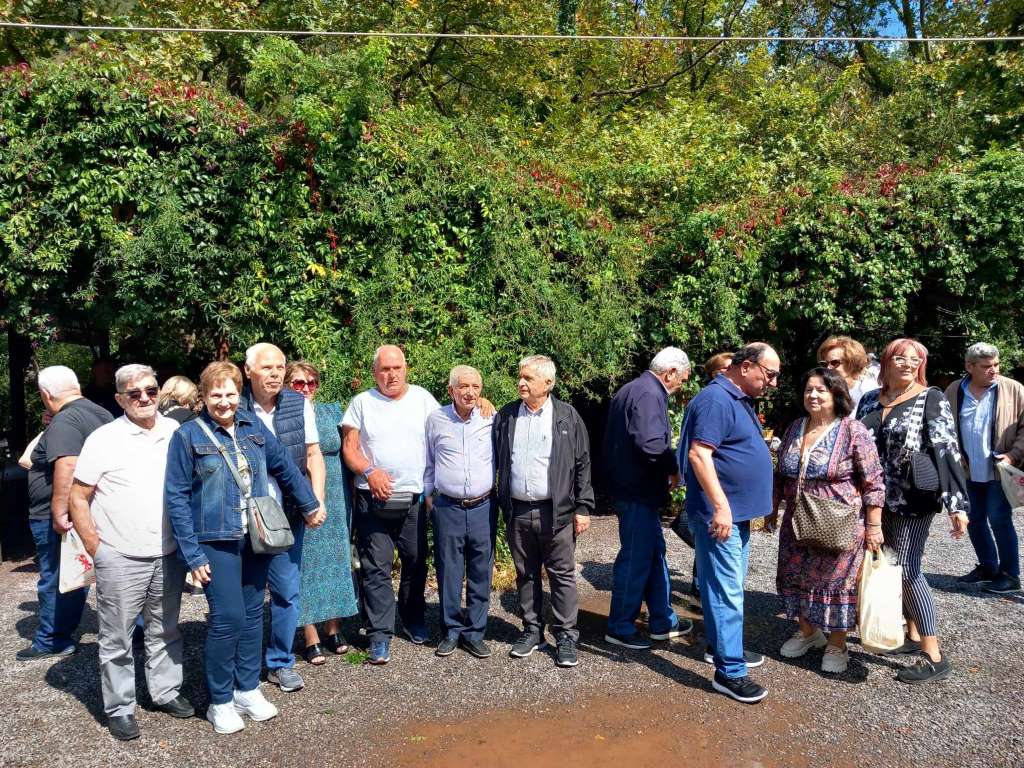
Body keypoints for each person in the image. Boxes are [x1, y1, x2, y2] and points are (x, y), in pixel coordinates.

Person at [165, 361, 320, 734]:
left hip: (255, 537)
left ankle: (246, 689)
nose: (224, 401)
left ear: (239, 395)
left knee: (253, 616)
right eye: (216, 394)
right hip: (215, 540)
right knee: (228, 617)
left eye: (230, 393)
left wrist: (309, 503)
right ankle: (220, 701)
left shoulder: (253, 428)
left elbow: (284, 466)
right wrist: (192, 554)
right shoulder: (187, 436)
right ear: (203, 397)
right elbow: (176, 497)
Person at [67, 365, 193, 740]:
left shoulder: (175, 432)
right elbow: (78, 495)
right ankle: (120, 707)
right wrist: (97, 548)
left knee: (166, 629)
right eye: (134, 393)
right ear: (120, 398)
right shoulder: (104, 439)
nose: (144, 399)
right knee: (116, 637)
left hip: (167, 553)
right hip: (120, 555)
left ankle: (165, 691)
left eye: (151, 391)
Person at [857, 338, 970, 684]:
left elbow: (947, 449)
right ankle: (912, 633)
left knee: (907, 569)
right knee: (885, 564)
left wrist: (956, 505)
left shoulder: (930, 397)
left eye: (914, 359)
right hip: (873, 498)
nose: (906, 364)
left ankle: (933, 655)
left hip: (913, 498)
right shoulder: (867, 400)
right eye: (900, 358)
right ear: (887, 362)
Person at [678, 343, 780, 703]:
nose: (773, 382)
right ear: (747, 366)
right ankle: (730, 672)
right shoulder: (716, 400)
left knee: (728, 587)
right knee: (726, 591)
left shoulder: (735, 398)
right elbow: (698, 454)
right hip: (721, 516)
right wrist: (721, 506)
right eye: (769, 374)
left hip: (735, 514)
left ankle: (722, 648)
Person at [767, 368, 885, 674]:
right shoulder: (795, 427)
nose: (813, 395)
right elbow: (781, 474)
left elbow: (873, 481)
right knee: (794, 577)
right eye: (809, 390)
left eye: (821, 390)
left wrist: (874, 526)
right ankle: (809, 634)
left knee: (837, 584)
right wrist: (771, 508)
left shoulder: (852, 430)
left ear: (836, 395)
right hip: (796, 521)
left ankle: (837, 644)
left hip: (840, 523)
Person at [341, 345, 441, 665]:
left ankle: (412, 618)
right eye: (384, 369)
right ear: (375, 373)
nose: (391, 374)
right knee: (376, 568)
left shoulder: (424, 399)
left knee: (415, 561)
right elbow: (350, 448)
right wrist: (369, 471)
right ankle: (379, 634)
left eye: (396, 368)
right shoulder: (361, 403)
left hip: (412, 499)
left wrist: (479, 403)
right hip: (373, 500)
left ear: (406, 368)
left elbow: (448, 429)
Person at [494, 355, 595, 668]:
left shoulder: (567, 416)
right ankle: (532, 630)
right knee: (526, 573)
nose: (521, 383)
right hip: (519, 510)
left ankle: (566, 635)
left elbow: (582, 463)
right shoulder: (508, 415)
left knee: (562, 574)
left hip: (557, 512)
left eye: (528, 378)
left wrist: (583, 506)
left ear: (548, 383)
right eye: (520, 377)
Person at [239, 343, 327, 693]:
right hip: (245, 518)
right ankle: (243, 666)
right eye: (267, 368)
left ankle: (280, 662)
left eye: (280, 367)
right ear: (248, 371)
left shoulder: (298, 403)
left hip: (287, 515)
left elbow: (312, 454)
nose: (276, 374)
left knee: (287, 592)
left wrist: (316, 499)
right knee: (247, 595)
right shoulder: (234, 405)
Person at [17, 366, 113, 661]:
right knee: (90, 573)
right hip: (90, 507)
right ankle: (131, 632)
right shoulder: (100, 413)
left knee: (58, 577)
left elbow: (68, 465)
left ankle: (52, 638)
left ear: (45, 394)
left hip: (58, 514)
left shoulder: (67, 419)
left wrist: (60, 510)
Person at [603, 347, 694, 649]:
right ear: (669, 373)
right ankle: (619, 626)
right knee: (635, 560)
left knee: (654, 555)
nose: (681, 386)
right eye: (682, 380)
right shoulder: (649, 394)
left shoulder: (632, 389)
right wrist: (674, 469)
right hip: (638, 492)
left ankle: (662, 621)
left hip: (633, 490)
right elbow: (652, 444)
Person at [284, 361, 359, 664]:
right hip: (300, 491)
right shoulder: (282, 417)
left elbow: (349, 449)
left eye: (311, 383)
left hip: (337, 493)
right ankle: (311, 633)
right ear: (288, 385)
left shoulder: (331, 411)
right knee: (306, 562)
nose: (305, 388)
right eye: (298, 383)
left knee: (336, 560)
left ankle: (333, 627)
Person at [424, 365, 497, 659]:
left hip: (483, 506)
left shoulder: (492, 418)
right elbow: (428, 461)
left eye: (476, 386)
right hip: (447, 507)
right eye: (463, 386)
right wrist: (429, 499)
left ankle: (476, 632)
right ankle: (451, 631)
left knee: (481, 572)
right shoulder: (436, 419)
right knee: (449, 572)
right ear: (451, 389)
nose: (470, 392)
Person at [944, 343, 1024, 594]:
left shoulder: (1014, 389)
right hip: (966, 470)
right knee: (975, 519)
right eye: (987, 366)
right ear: (969, 367)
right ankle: (988, 567)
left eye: (996, 365)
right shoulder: (955, 390)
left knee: (999, 519)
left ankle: (1011, 576)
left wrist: (1013, 455)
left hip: (1000, 470)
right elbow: (945, 428)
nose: (994, 371)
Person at [817, 336, 880, 411]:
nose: (828, 368)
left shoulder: (866, 389)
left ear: (851, 363)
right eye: (824, 364)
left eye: (834, 363)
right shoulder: (821, 388)